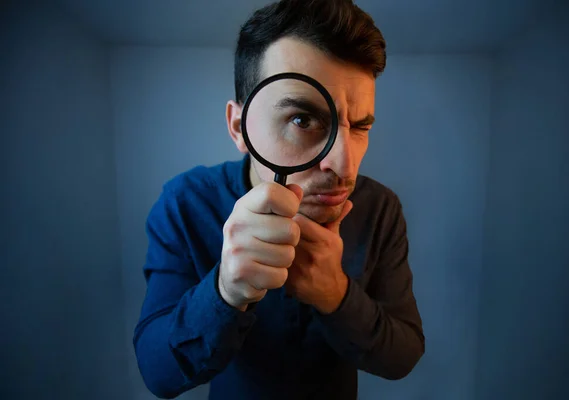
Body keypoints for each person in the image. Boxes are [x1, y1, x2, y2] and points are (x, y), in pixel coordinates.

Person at [133, 0, 425, 398]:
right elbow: (158, 373)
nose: (344, 165)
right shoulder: (186, 204)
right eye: (303, 120)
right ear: (240, 127)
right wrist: (224, 291)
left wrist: (336, 294)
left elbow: (402, 356)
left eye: (359, 126)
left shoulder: (380, 209)